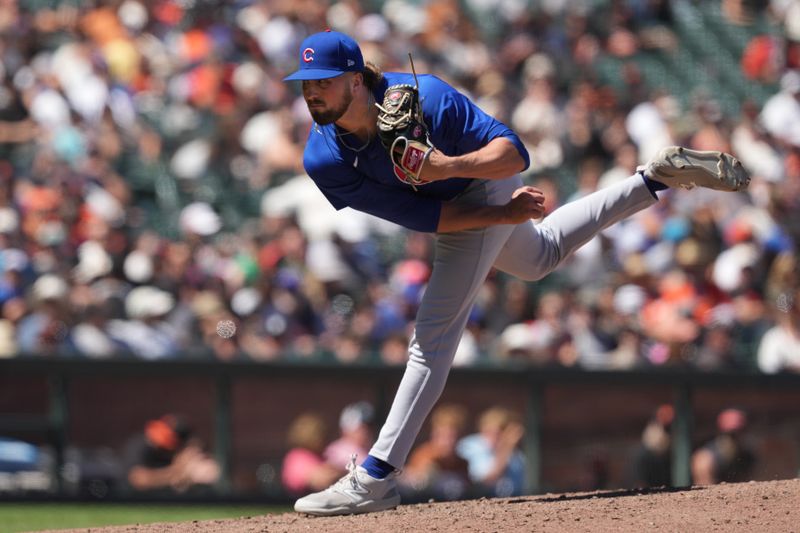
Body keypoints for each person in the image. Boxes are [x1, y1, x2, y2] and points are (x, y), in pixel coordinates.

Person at [284, 30, 750, 516]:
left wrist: (446, 169)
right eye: (306, 83)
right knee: (540, 256)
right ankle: (653, 179)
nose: (312, 91)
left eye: (325, 81)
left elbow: (514, 153)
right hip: (452, 207)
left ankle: (376, 476)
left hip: (481, 177)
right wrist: (502, 218)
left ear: (357, 80)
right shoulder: (323, 156)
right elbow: (427, 220)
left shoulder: (429, 100)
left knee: (431, 340)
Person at [123, 414, 220, 493]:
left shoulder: (181, 452)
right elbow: (139, 480)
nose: (157, 444)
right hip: (134, 501)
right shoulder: (139, 445)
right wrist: (176, 472)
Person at [401, 403, 471, 501]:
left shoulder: (462, 464)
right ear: (434, 435)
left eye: (453, 436)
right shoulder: (425, 455)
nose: (449, 441)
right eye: (444, 436)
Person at [456, 406, 526, 498]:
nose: (495, 436)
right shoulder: (471, 445)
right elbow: (487, 481)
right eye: (490, 431)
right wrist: (507, 447)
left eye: (500, 432)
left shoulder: (516, 455)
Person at [281, 412, 342, 497]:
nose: (328, 440)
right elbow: (318, 481)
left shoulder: (321, 456)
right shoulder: (297, 456)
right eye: (324, 436)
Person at [691, 408, 756, 485]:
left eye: (739, 432)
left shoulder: (748, 455)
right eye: (731, 434)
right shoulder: (705, 458)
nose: (735, 438)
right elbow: (705, 487)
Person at [324, 401, 376, 471]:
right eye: (362, 427)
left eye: (370, 426)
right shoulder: (337, 452)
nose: (366, 431)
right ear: (346, 429)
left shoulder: (372, 449)